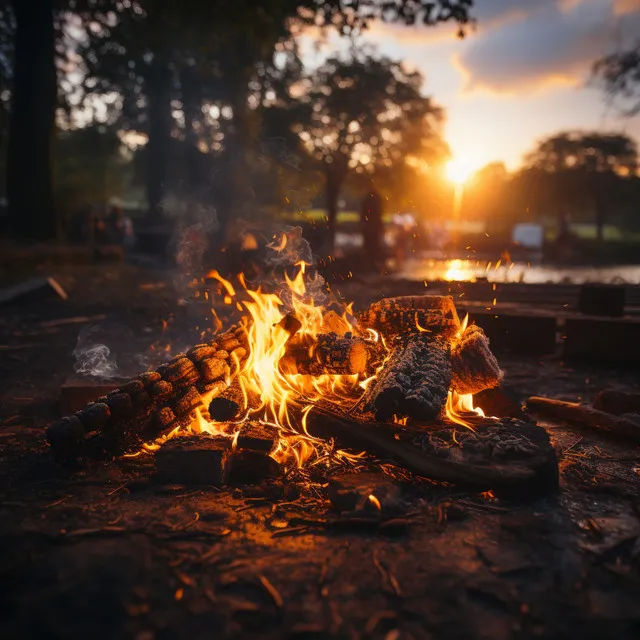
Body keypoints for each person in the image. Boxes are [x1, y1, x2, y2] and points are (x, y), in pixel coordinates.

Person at [360, 186, 384, 266]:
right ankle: (373, 262)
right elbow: (380, 213)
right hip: (373, 226)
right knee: (374, 245)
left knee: (370, 245)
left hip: (370, 226)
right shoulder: (376, 201)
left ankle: (370, 262)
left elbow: (363, 214)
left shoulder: (367, 201)